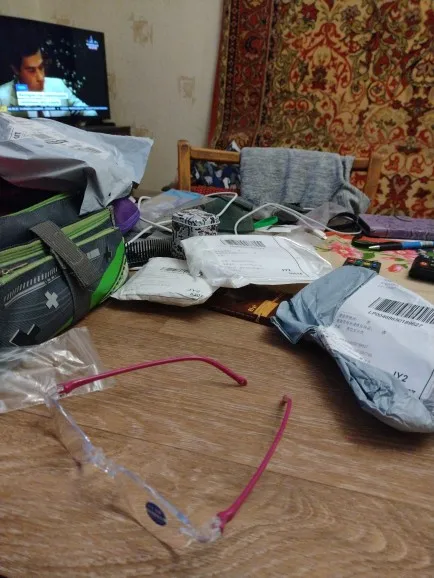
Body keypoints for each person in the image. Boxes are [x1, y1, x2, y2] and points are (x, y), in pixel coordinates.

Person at [0, 38, 97, 118]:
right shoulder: (2, 97)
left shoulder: (58, 85)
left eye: (41, 67)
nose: (41, 77)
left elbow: (88, 111)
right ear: (16, 70)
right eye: (31, 70)